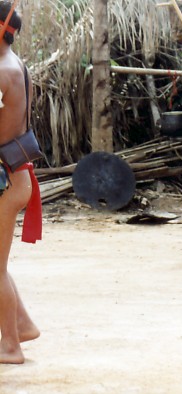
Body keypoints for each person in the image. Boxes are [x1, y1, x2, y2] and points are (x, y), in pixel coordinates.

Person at [0, 1, 41, 364]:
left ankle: (10, 347)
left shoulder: (1, 69)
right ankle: (23, 325)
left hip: (6, 180)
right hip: (14, 175)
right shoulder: (14, 63)